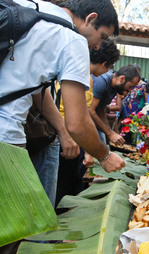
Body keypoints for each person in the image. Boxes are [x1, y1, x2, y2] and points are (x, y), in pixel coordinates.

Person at [0, 0, 124, 173]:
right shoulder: (73, 40)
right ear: (91, 19)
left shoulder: (30, 7)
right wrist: (105, 156)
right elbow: (77, 124)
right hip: (6, 135)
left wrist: (61, 130)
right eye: (102, 37)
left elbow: (34, 88)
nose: (97, 46)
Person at [55, 38, 121, 208]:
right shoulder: (85, 77)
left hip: (60, 133)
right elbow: (80, 116)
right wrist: (89, 151)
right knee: (67, 186)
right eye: (109, 67)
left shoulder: (70, 68)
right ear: (104, 63)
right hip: (69, 138)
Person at [89, 65, 141, 145]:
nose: (130, 90)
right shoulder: (102, 81)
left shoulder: (115, 87)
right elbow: (90, 110)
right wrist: (109, 133)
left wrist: (109, 133)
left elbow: (101, 109)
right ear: (122, 79)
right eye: (130, 87)